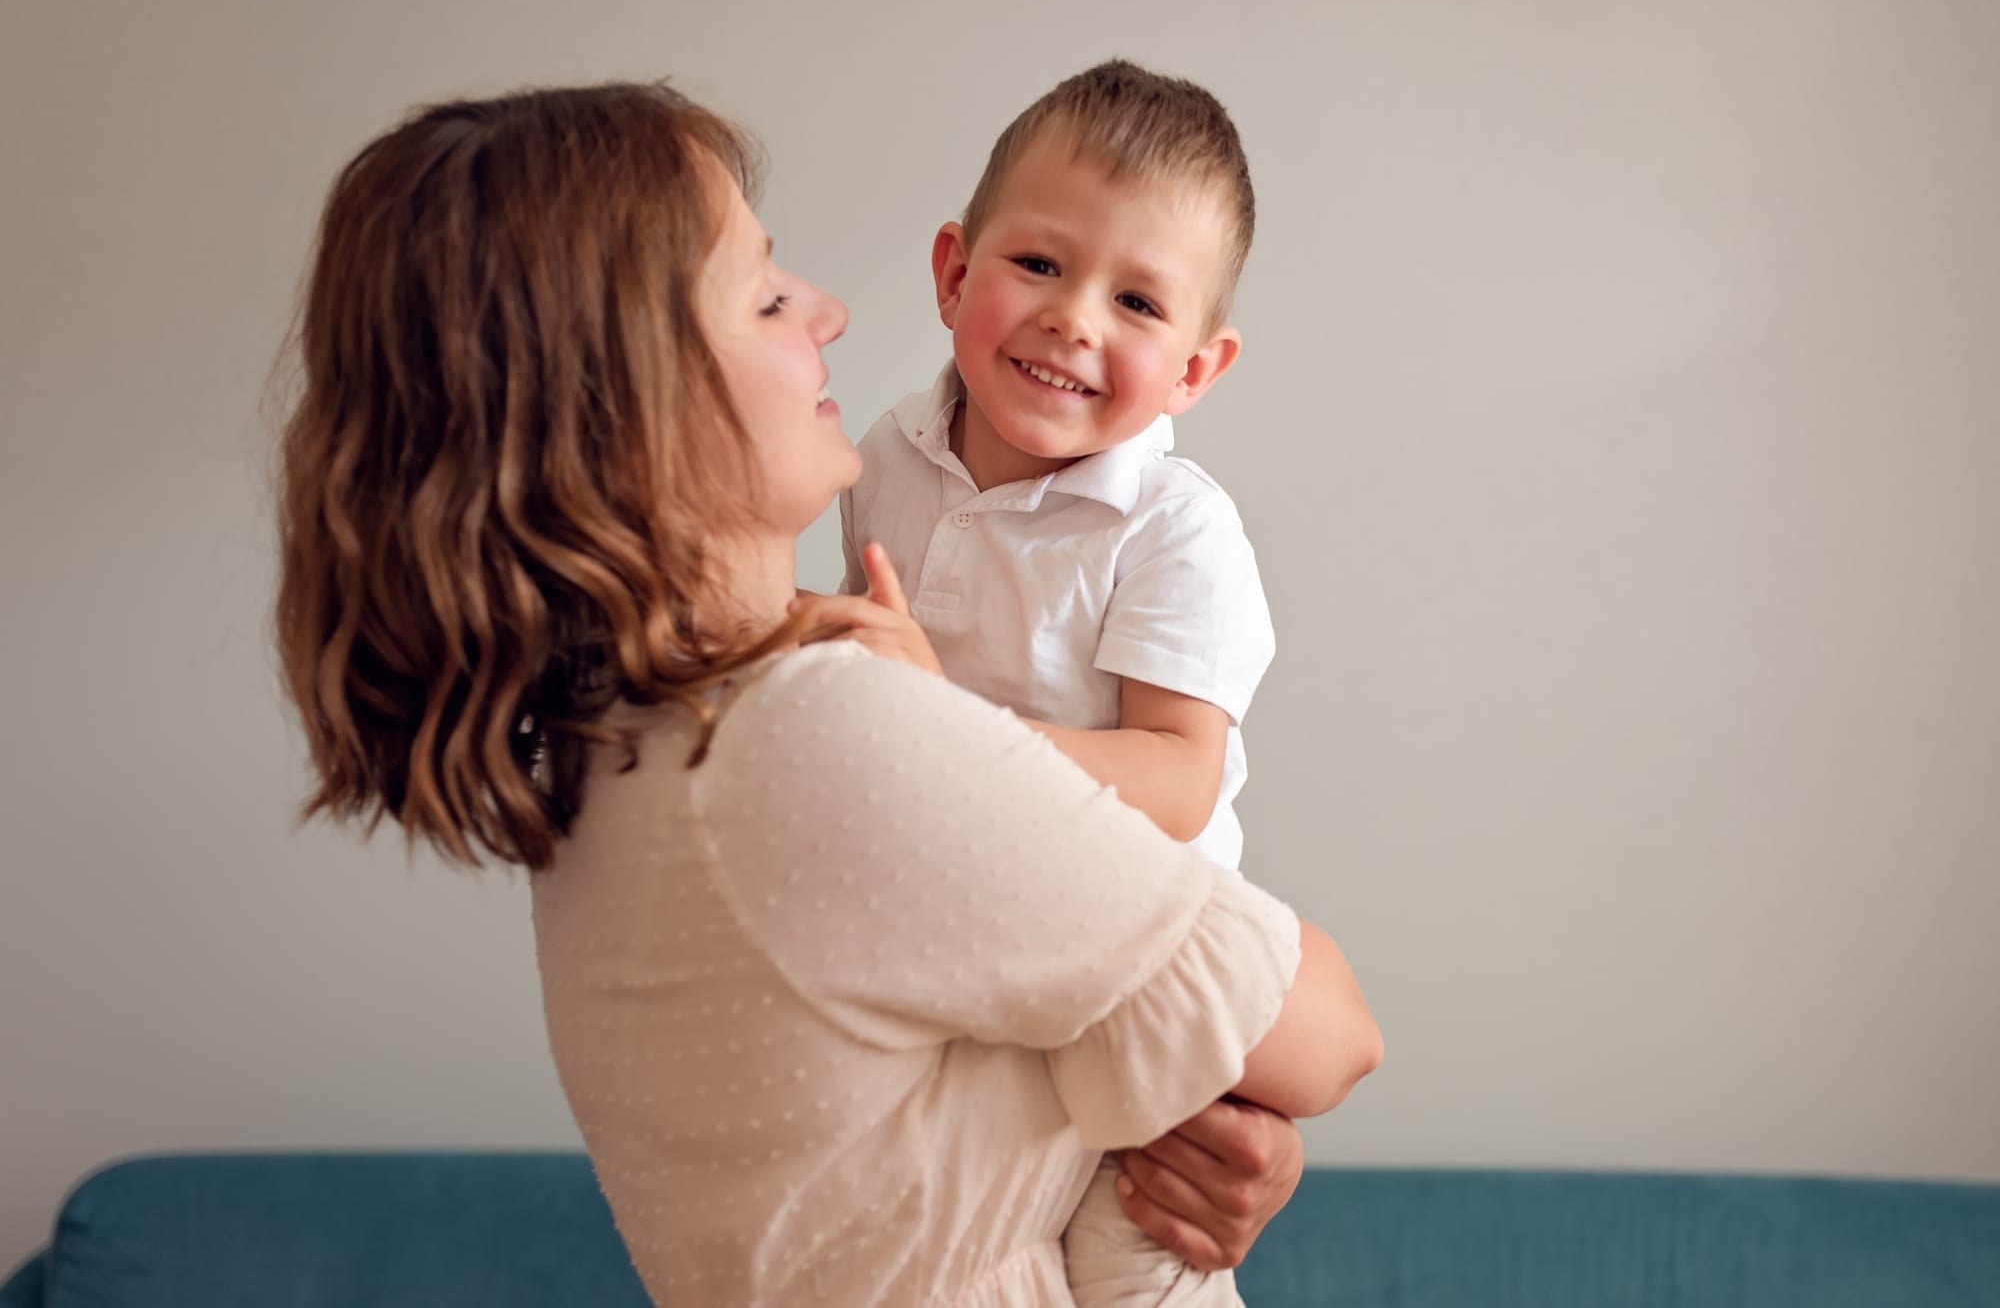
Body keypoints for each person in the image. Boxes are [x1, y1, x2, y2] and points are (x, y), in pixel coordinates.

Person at [273, 81, 1382, 1308]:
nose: (829, 311)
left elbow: (960, 1073)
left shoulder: (632, 731)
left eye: (1135, 300)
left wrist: (1196, 1114)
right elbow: (1334, 1031)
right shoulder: (810, 732)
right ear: (628, 396)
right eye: (763, 294)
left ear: (1196, 365)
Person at [819, 60, 1280, 1304]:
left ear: (1193, 370)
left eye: (1136, 300)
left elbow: (1179, 780)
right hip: (973, 955)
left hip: (1138, 973)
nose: (1074, 318)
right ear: (950, 273)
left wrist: (947, 728)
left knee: (1135, 1259)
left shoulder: (1173, 530)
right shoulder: (886, 455)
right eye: (1037, 264)